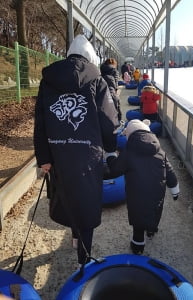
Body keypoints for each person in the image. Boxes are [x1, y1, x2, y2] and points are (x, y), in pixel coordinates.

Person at [33, 34, 119, 267]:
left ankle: (74, 237)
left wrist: (44, 157)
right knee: (87, 201)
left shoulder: (48, 81)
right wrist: (110, 149)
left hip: (58, 154)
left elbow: (40, 123)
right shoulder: (97, 80)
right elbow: (109, 122)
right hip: (87, 156)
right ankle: (84, 258)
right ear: (90, 57)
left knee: (68, 195)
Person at [106, 119, 179, 255]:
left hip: (136, 194)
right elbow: (169, 170)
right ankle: (151, 230)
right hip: (158, 191)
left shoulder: (128, 151)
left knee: (138, 219)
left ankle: (138, 245)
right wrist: (175, 189)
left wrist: (111, 156)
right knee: (155, 210)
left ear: (130, 134)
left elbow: (115, 170)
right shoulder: (160, 150)